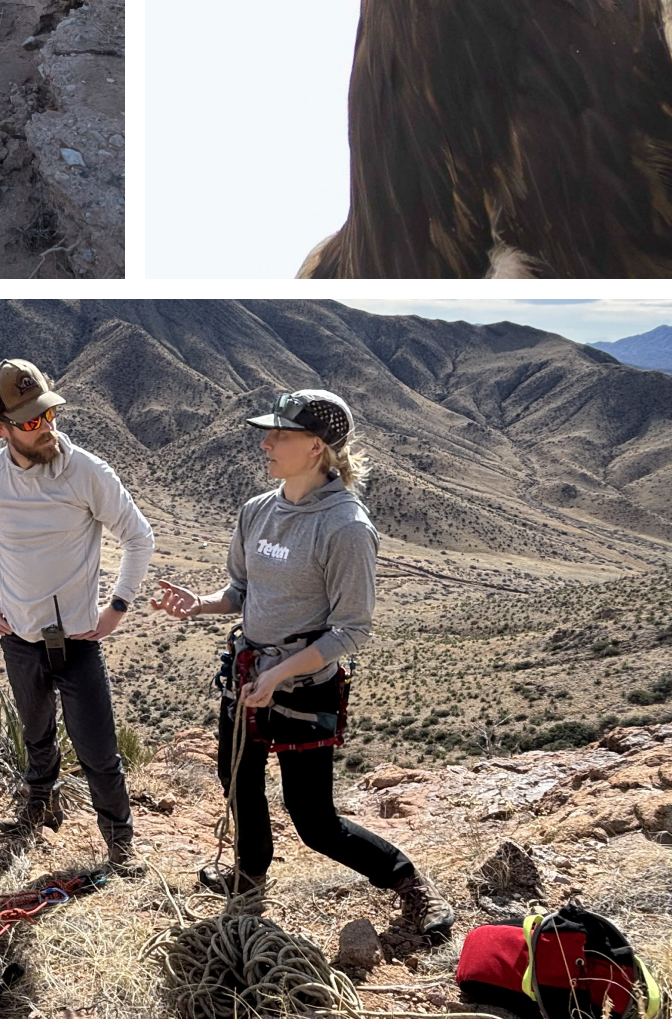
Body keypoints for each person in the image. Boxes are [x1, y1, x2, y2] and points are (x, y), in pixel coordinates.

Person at [151, 389, 456, 937]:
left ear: (316, 448)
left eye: (280, 436)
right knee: (236, 779)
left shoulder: (345, 527)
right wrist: (201, 604)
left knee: (313, 820)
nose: (265, 443)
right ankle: (249, 877)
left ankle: (410, 884)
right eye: (268, 433)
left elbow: (350, 630)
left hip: (302, 688)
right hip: (248, 677)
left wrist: (280, 674)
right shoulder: (257, 511)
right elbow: (242, 589)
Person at [0, 358, 154, 870]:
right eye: (32, 421)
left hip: (79, 641)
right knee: (35, 734)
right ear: (0, 428)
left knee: (99, 751)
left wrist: (118, 607)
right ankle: (40, 809)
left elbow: (139, 537)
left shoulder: (87, 471)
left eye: (50, 415)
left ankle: (120, 845)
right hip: (21, 638)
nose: (47, 429)